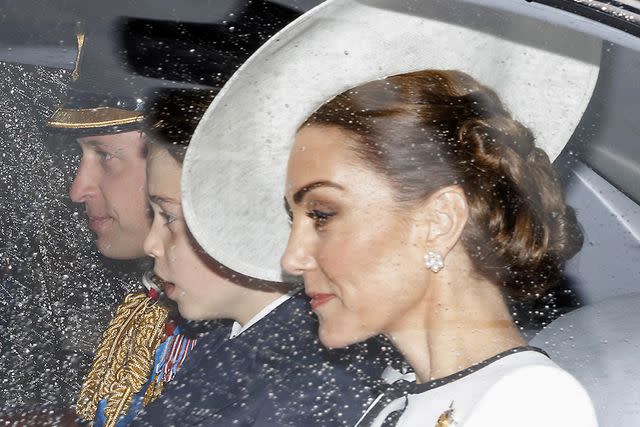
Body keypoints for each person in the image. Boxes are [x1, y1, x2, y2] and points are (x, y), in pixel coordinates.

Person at [178, 1, 602, 426]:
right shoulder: (398, 401)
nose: (292, 259)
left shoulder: (527, 403)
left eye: (323, 213)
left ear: (440, 221)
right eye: (295, 220)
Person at [132, 88, 398, 426]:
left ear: (247, 215)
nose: (151, 244)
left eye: (168, 216)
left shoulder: (304, 388)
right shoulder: (235, 342)